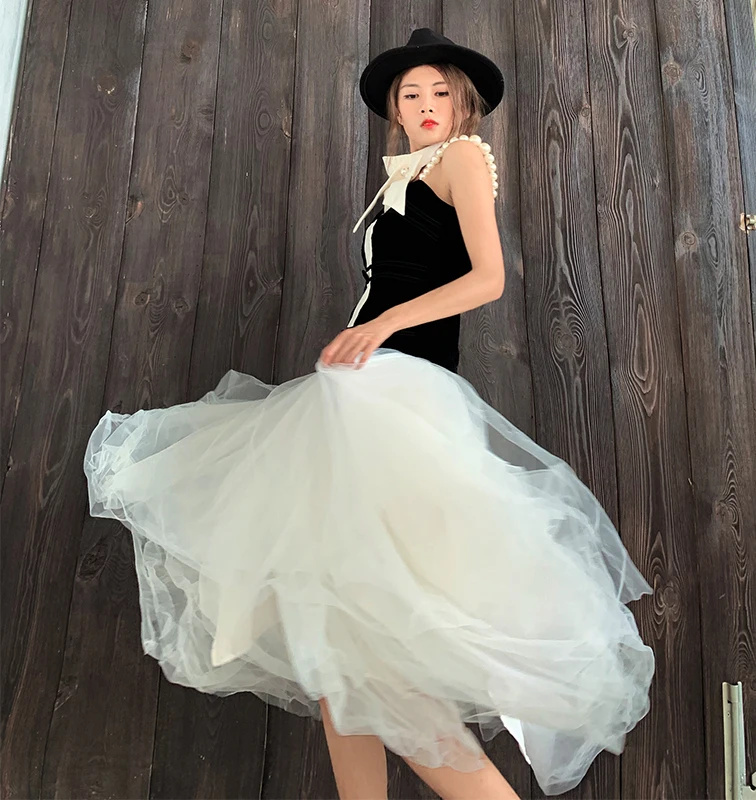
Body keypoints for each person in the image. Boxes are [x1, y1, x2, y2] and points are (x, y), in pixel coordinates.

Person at [84, 27, 655, 800]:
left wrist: (383, 325)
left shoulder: (461, 157)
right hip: (361, 395)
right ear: (394, 109)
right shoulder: (404, 177)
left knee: (373, 652)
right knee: (337, 655)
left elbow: (487, 278)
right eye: (410, 94)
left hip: (401, 396)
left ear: (465, 102)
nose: (425, 104)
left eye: (440, 91)